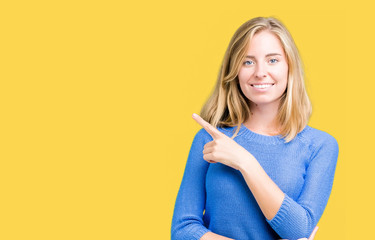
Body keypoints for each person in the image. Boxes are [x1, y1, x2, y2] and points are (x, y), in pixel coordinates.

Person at [171, 17, 339, 240]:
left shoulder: (320, 146)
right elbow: (182, 231)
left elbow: (299, 229)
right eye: (248, 62)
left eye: (272, 60)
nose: (260, 72)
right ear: (234, 71)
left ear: (290, 66)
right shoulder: (210, 140)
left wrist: (245, 162)